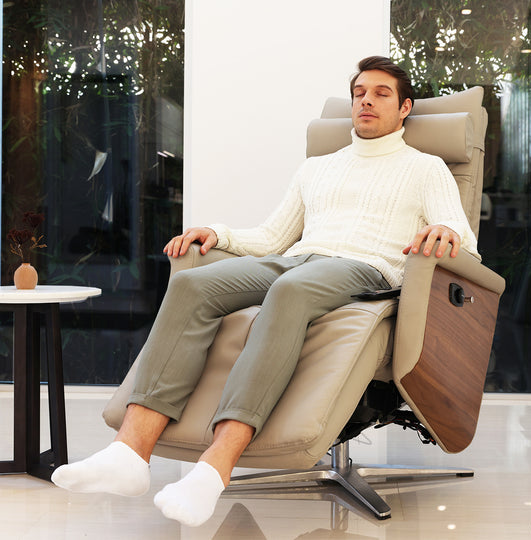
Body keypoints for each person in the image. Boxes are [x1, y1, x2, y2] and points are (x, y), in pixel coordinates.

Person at [51, 56, 479, 527]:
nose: (366, 101)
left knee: (292, 290)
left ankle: (214, 468)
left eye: (381, 94)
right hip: (299, 258)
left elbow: (462, 238)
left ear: (404, 108)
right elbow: (273, 237)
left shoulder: (425, 167)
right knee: (193, 284)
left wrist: (445, 233)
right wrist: (217, 233)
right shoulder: (318, 168)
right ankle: (129, 454)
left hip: (367, 268)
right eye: (359, 93)